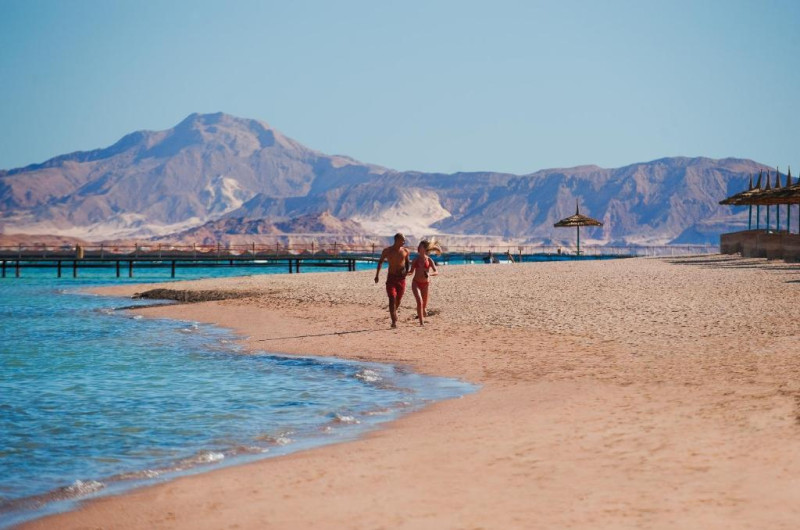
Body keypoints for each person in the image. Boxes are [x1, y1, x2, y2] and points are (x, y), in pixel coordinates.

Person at [374, 233, 410, 328]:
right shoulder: (387, 251)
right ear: (397, 240)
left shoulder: (405, 251)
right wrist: (377, 275)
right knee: (392, 298)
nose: (404, 242)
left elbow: (407, 263)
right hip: (391, 278)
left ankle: (394, 312)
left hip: (401, 279)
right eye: (403, 240)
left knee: (398, 299)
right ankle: (394, 321)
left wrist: (406, 272)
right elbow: (380, 262)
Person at [408, 238, 441, 326]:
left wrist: (429, 274)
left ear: (425, 249)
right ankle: (421, 323)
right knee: (419, 302)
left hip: (425, 285)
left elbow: (436, 271)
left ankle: (422, 312)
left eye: (420, 246)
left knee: (424, 308)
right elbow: (411, 272)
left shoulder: (429, 260)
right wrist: (405, 273)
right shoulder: (415, 260)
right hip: (416, 283)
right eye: (418, 246)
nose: (418, 247)